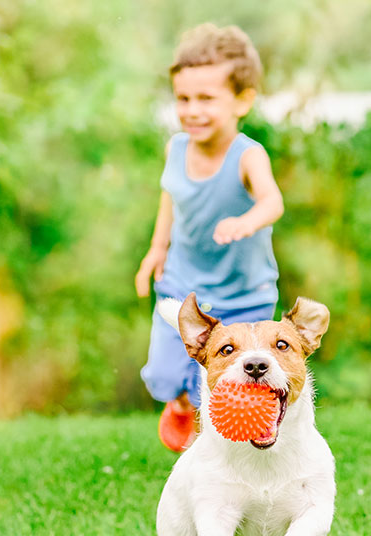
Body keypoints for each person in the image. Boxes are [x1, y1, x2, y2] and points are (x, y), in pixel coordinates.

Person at [135, 23, 284, 453]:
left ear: (242, 99)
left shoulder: (248, 155)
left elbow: (273, 202)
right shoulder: (176, 148)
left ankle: (213, 451)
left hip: (244, 295)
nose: (192, 110)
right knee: (163, 376)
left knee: (228, 389)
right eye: (183, 98)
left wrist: (248, 221)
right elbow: (171, 196)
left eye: (206, 99)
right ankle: (179, 404)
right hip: (183, 287)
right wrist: (156, 249)